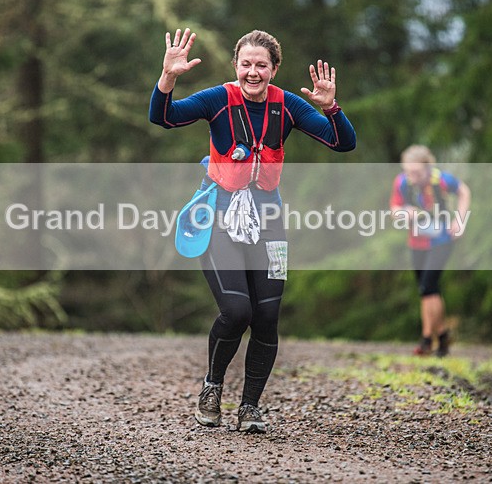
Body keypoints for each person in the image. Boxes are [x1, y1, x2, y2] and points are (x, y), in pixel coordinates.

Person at [149, 28, 356, 432]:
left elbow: (342, 143)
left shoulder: (288, 105)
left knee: (266, 315)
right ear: (236, 66)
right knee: (237, 310)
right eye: (246, 64)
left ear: (274, 69)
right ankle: (212, 386)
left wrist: (332, 108)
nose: (253, 72)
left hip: (269, 222)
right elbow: (163, 117)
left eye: (261, 65)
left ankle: (250, 408)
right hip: (221, 215)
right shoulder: (219, 100)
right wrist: (168, 78)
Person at [390, 145, 471, 357]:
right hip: (416, 242)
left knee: (427, 287)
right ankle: (442, 336)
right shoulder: (401, 182)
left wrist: (460, 220)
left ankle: (426, 340)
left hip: (442, 240)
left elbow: (464, 191)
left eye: (416, 173)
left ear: (427, 168)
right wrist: (404, 214)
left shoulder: (441, 180)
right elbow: (394, 210)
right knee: (429, 290)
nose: (412, 177)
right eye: (408, 172)